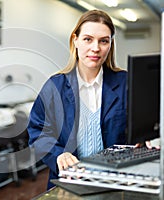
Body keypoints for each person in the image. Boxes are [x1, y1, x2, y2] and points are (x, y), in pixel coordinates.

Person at [27, 10, 128, 189]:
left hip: (118, 183)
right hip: (69, 183)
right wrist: (58, 154)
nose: (95, 48)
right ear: (75, 40)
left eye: (103, 41)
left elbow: (141, 129)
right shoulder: (54, 87)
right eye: (88, 39)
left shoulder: (125, 83)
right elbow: (37, 132)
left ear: (111, 44)